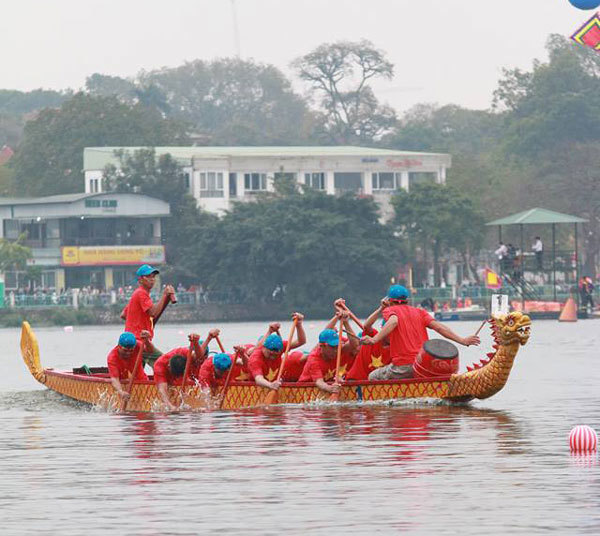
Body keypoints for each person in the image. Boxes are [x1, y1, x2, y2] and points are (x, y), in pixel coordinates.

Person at [362, 285, 480, 380]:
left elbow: (393, 322)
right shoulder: (420, 312)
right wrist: (463, 340)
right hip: (424, 364)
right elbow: (439, 328)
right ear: (407, 300)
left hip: (403, 366)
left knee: (373, 377)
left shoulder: (390, 310)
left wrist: (374, 339)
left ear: (389, 301)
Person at [120, 264, 175, 367]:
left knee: (137, 373)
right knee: (166, 364)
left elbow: (123, 315)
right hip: (139, 341)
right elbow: (153, 313)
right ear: (140, 279)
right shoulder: (141, 293)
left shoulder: (136, 294)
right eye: (148, 276)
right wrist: (164, 296)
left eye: (153, 277)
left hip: (135, 340)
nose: (152, 279)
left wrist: (139, 321)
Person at [153, 330, 218, 410]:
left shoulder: (188, 353)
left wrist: (204, 339)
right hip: (166, 375)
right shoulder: (160, 365)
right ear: (169, 367)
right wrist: (170, 406)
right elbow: (162, 390)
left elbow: (199, 356)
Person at [298, 310, 359, 394]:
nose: (336, 350)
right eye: (332, 347)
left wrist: (346, 322)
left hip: (327, 383)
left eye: (337, 346)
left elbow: (354, 344)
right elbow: (319, 382)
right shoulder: (314, 358)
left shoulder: (338, 350)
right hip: (305, 389)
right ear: (322, 346)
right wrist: (330, 389)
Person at [247, 313, 307, 391]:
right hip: (257, 385)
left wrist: (299, 325)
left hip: (274, 383)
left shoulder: (280, 346)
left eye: (276, 354)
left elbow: (301, 341)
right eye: (270, 353)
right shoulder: (255, 358)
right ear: (263, 348)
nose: (273, 356)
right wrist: (271, 385)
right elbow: (258, 379)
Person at [346, 300, 391, 381]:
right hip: (355, 381)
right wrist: (381, 309)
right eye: (389, 331)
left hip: (374, 385)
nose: (391, 334)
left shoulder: (397, 347)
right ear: (383, 329)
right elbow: (367, 325)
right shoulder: (373, 335)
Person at [107, 331, 149, 402]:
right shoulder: (112, 357)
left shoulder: (139, 345)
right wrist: (121, 392)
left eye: (131, 351)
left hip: (141, 380)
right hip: (122, 383)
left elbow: (150, 350)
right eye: (125, 350)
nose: (128, 353)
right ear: (119, 346)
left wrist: (147, 341)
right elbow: (115, 379)